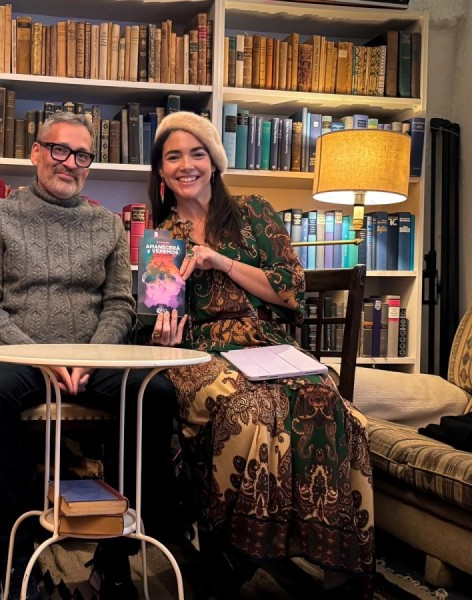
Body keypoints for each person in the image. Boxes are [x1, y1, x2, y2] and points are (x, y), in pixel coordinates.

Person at [146, 111, 375, 599]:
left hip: (270, 345)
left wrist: (219, 260)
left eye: (197, 153)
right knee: (249, 409)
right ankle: (236, 552)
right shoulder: (161, 237)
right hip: (202, 350)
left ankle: (334, 558)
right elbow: (162, 314)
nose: (186, 165)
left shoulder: (253, 212)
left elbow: (291, 290)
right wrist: (163, 335)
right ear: (161, 171)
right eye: (173, 157)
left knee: (324, 401)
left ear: (214, 161)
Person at [0, 111, 179, 600]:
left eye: (82, 155)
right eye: (59, 150)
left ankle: (115, 554)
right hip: (18, 355)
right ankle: (14, 557)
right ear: (36, 153)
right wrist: (38, 356)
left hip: (91, 356)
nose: (69, 162)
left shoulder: (107, 225)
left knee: (156, 394)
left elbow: (120, 304)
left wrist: (94, 355)